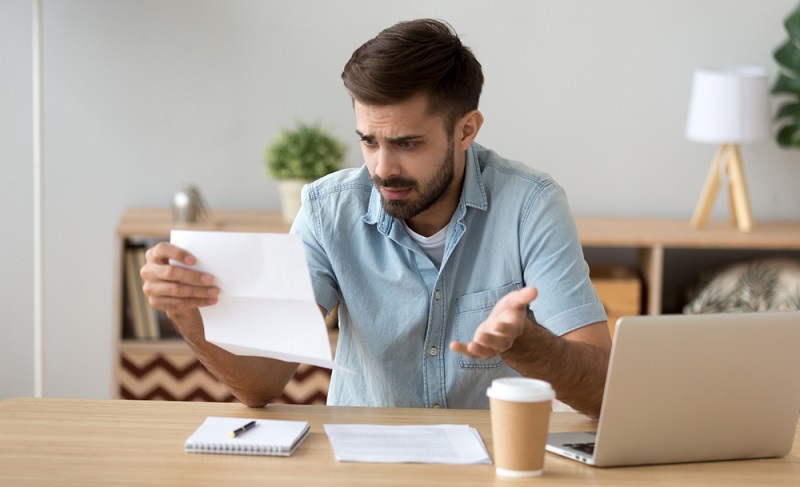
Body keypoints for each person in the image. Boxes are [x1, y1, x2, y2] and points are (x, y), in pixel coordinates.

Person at [141, 18, 611, 419]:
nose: (382, 169)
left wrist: (527, 344)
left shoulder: (531, 207)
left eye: (406, 144)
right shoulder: (327, 211)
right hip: (362, 468)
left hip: (491, 466)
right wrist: (187, 316)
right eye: (369, 141)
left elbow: (602, 390)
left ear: (465, 130)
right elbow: (263, 384)